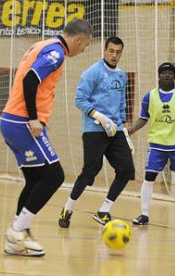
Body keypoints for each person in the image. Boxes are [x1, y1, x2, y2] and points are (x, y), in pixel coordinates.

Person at [0, 18, 93, 257]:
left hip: (11, 120)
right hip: (22, 121)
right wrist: (33, 118)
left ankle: (17, 239)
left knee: (35, 180)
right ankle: (17, 231)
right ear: (78, 39)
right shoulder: (56, 52)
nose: (82, 51)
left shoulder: (43, 45)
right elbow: (31, 79)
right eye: (84, 46)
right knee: (55, 175)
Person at [58, 36, 135, 228]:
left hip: (115, 130)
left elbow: (122, 102)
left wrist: (122, 128)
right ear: (105, 50)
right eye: (111, 51)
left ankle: (104, 211)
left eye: (118, 52)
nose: (114, 55)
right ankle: (67, 208)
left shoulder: (122, 75)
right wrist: (99, 117)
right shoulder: (92, 72)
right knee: (91, 171)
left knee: (127, 170)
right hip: (94, 129)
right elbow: (80, 100)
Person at [128, 62, 175, 227]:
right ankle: (144, 214)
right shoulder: (149, 96)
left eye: (170, 72)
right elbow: (143, 118)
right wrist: (132, 129)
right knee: (149, 177)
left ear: (174, 76)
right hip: (156, 144)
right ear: (159, 75)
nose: (167, 75)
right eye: (164, 72)